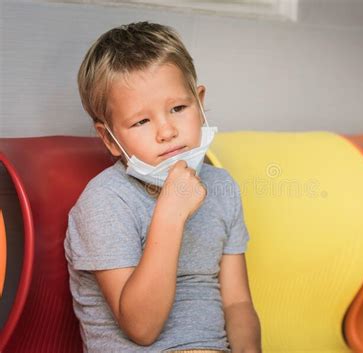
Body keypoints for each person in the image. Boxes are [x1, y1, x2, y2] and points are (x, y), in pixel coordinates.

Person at [64, 21, 262, 353]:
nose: (166, 131)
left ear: (199, 103)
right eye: (142, 121)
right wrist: (170, 214)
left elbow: (237, 304)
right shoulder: (104, 202)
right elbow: (141, 328)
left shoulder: (222, 186)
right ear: (109, 139)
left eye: (178, 108)